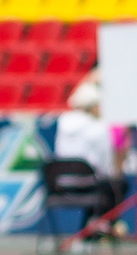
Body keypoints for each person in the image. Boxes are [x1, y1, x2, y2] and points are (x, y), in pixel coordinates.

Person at [49, 77, 125, 223]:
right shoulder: (99, 129)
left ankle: (90, 230)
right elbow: (107, 168)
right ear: (94, 107)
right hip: (90, 184)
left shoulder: (62, 125)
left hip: (62, 185)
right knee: (117, 185)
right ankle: (96, 229)